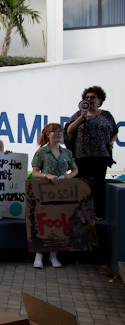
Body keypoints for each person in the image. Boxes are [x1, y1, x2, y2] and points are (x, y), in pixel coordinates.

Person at [65, 86, 118, 220]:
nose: (89, 99)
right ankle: (80, 214)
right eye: (87, 97)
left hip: (100, 155)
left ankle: (97, 213)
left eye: (92, 97)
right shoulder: (78, 114)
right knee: (82, 185)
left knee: (98, 186)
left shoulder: (106, 115)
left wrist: (112, 141)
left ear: (99, 100)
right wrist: (82, 116)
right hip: (81, 155)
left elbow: (115, 131)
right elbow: (69, 130)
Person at [31, 123, 79, 269]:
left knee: (60, 222)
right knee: (43, 222)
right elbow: (35, 172)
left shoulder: (66, 153)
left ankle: (54, 255)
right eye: (55, 131)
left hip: (63, 191)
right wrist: (47, 175)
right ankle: (39, 255)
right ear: (48, 134)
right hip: (45, 191)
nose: (58, 133)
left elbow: (75, 169)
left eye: (60, 131)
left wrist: (69, 176)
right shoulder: (41, 152)